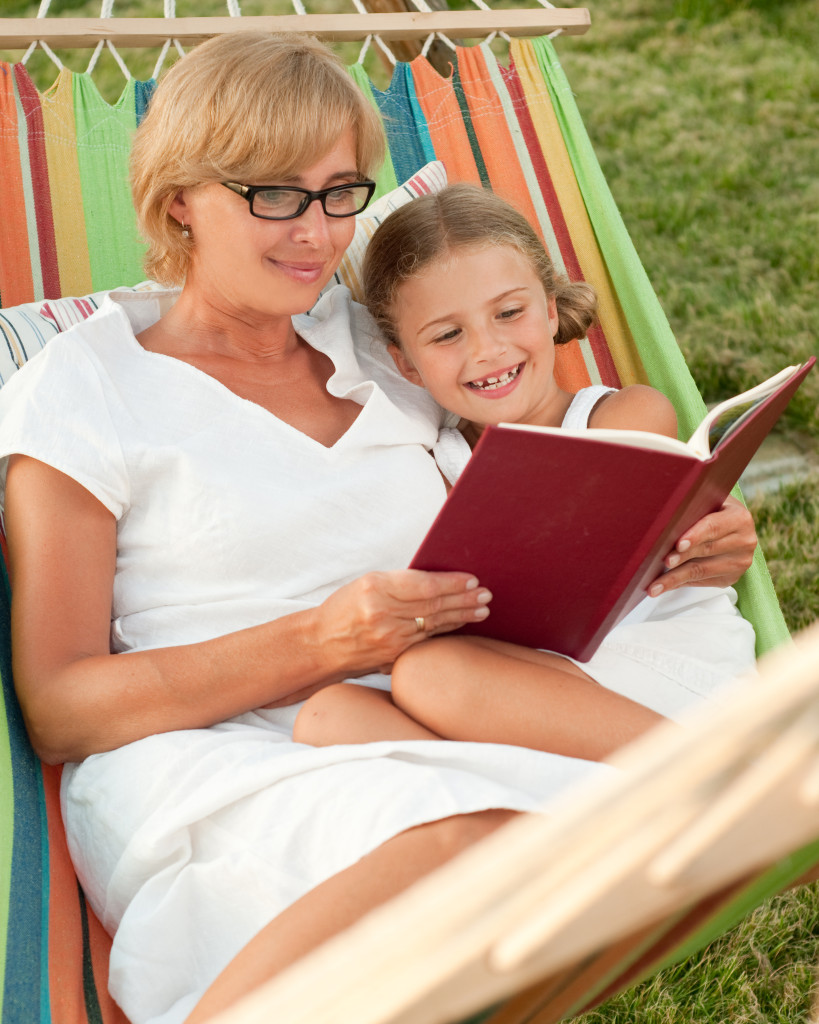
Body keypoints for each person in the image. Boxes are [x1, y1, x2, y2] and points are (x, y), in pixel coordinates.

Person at [0, 33, 758, 1024]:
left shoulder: (378, 335)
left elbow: (552, 449)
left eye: (341, 191)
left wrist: (688, 517)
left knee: (546, 849)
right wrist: (321, 639)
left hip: (460, 706)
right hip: (218, 757)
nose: (317, 232)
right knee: (461, 850)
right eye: (274, 192)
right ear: (180, 195)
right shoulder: (88, 384)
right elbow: (60, 706)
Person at [293, 184, 757, 755]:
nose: (487, 349)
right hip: (536, 690)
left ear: (551, 309)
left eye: (509, 313)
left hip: (658, 669)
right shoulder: (431, 466)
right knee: (329, 716)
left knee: (429, 674)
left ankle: (718, 770)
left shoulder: (621, 416)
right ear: (406, 365)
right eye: (447, 334)